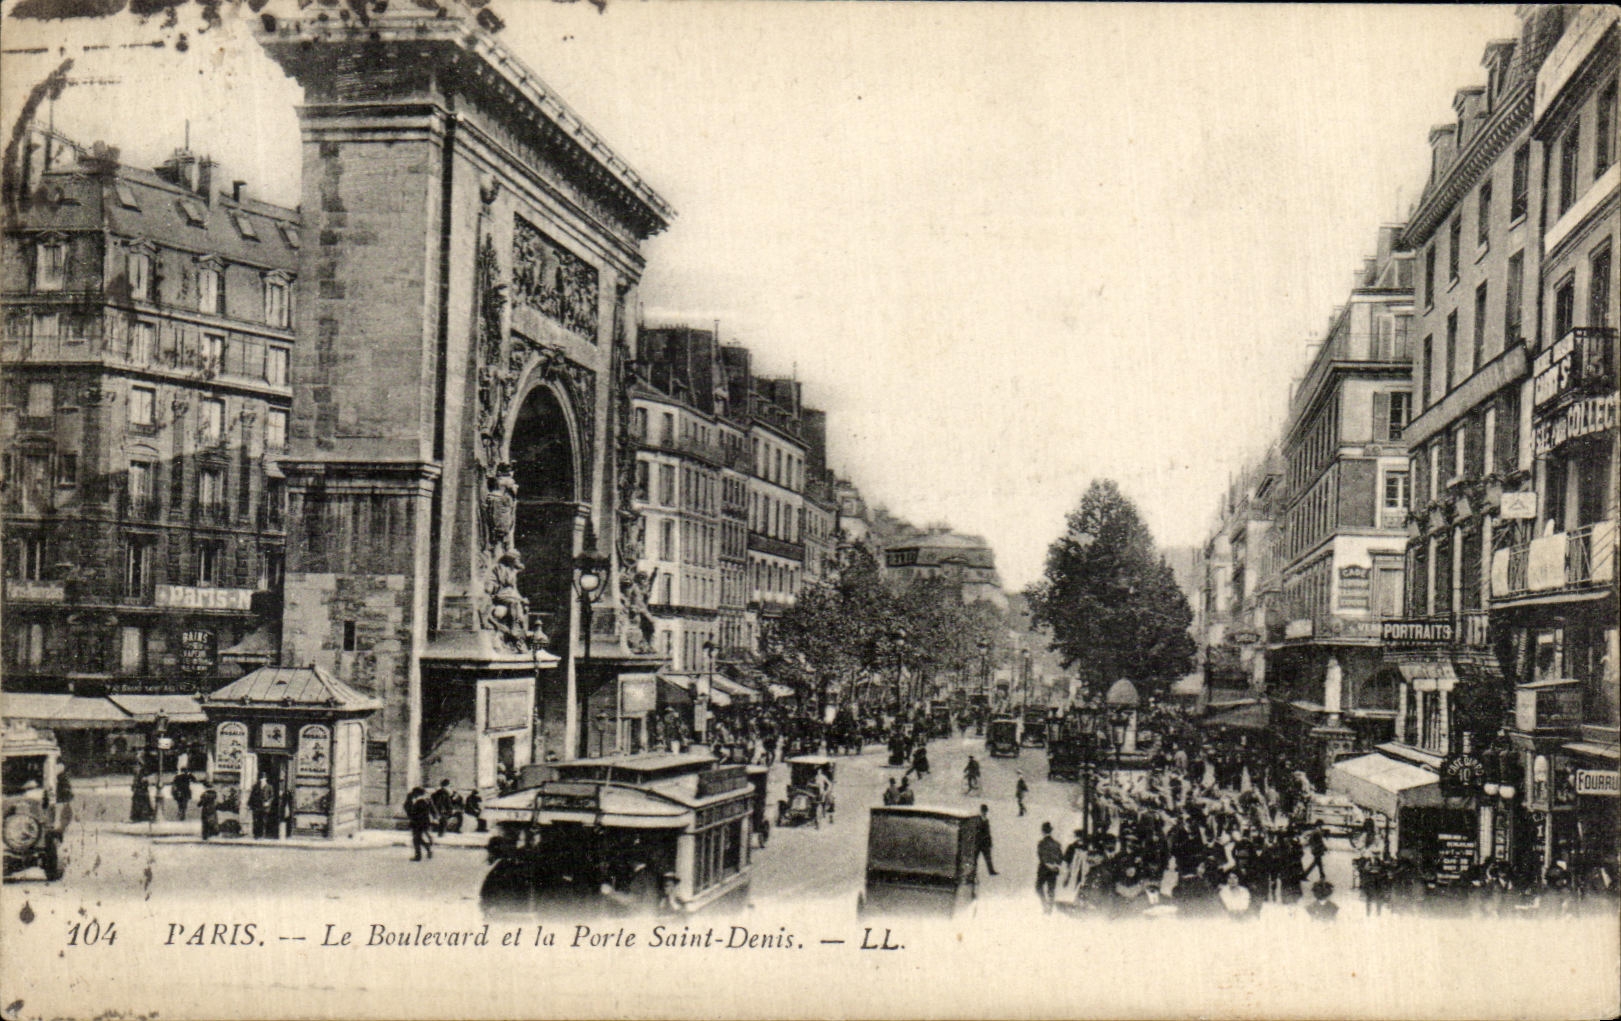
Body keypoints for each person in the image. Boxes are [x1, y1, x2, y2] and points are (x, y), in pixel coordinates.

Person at [1036, 821, 1064, 913]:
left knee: (1039, 887)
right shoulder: (1057, 844)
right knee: (1051, 889)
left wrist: (1047, 864)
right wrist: (1055, 865)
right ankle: (1050, 907)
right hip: (1054, 870)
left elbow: (1041, 857)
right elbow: (1061, 857)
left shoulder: (1041, 843)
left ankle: (1044, 904)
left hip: (1044, 869)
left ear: (1043, 832)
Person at [405, 787, 434, 861]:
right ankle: (427, 848)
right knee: (418, 839)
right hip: (423, 822)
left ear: (417, 794)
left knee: (416, 839)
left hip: (418, 823)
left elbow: (415, 813)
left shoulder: (420, 802)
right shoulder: (426, 801)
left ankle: (418, 856)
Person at [975, 804, 998, 877]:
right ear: (981, 811)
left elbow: (988, 832)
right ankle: (972, 872)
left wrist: (990, 842)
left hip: (985, 843)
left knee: (988, 858)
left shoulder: (986, 820)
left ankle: (991, 871)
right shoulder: (977, 820)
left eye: (985, 811)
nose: (984, 812)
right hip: (978, 842)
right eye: (984, 811)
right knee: (974, 858)